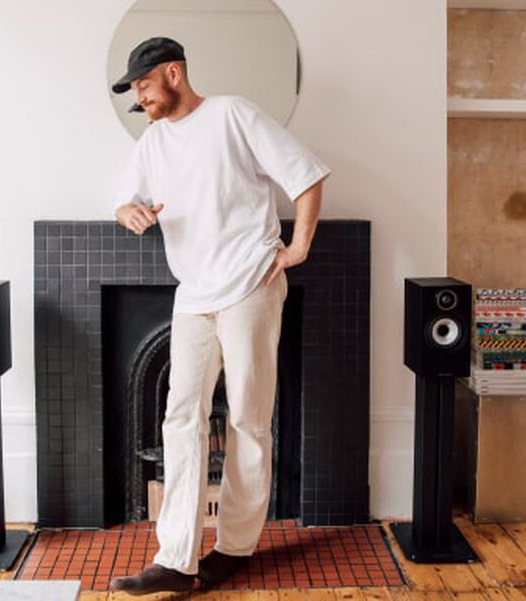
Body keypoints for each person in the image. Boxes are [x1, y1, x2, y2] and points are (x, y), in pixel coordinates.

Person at [109, 37, 330, 595]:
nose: (139, 96)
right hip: (193, 294)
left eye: (143, 84)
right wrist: (129, 212)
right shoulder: (153, 141)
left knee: (248, 420)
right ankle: (176, 559)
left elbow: (306, 175)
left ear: (173, 73)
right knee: (180, 417)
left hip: (251, 283)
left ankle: (234, 547)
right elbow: (124, 200)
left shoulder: (233, 114)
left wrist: (298, 247)